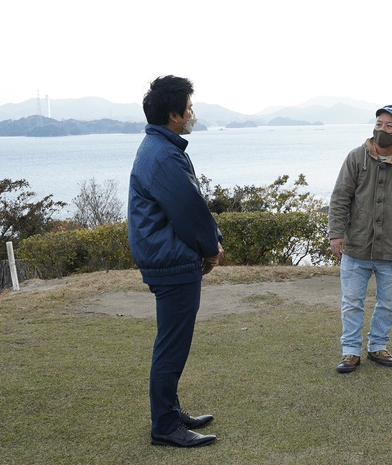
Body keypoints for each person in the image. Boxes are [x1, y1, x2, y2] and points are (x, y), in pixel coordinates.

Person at [128, 75, 224, 447]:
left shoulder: (158, 146)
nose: (192, 113)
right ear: (174, 114)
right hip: (172, 262)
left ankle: (170, 410)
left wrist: (209, 242)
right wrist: (211, 247)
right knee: (172, 345)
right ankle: (166, 426)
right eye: (189, 108)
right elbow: (189, 211)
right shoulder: (164, 154)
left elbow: (187, 206)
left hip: (165, 257)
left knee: (171, 341)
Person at [329, 105, 392, 373]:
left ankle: (378, 346)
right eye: (379, 124)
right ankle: (350, 351)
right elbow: (340, 197)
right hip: (356, 246)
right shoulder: (356, 157)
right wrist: (336, 234)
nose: (382, 129)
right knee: (351, 302)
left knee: (388, 304)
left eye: (389, 126)